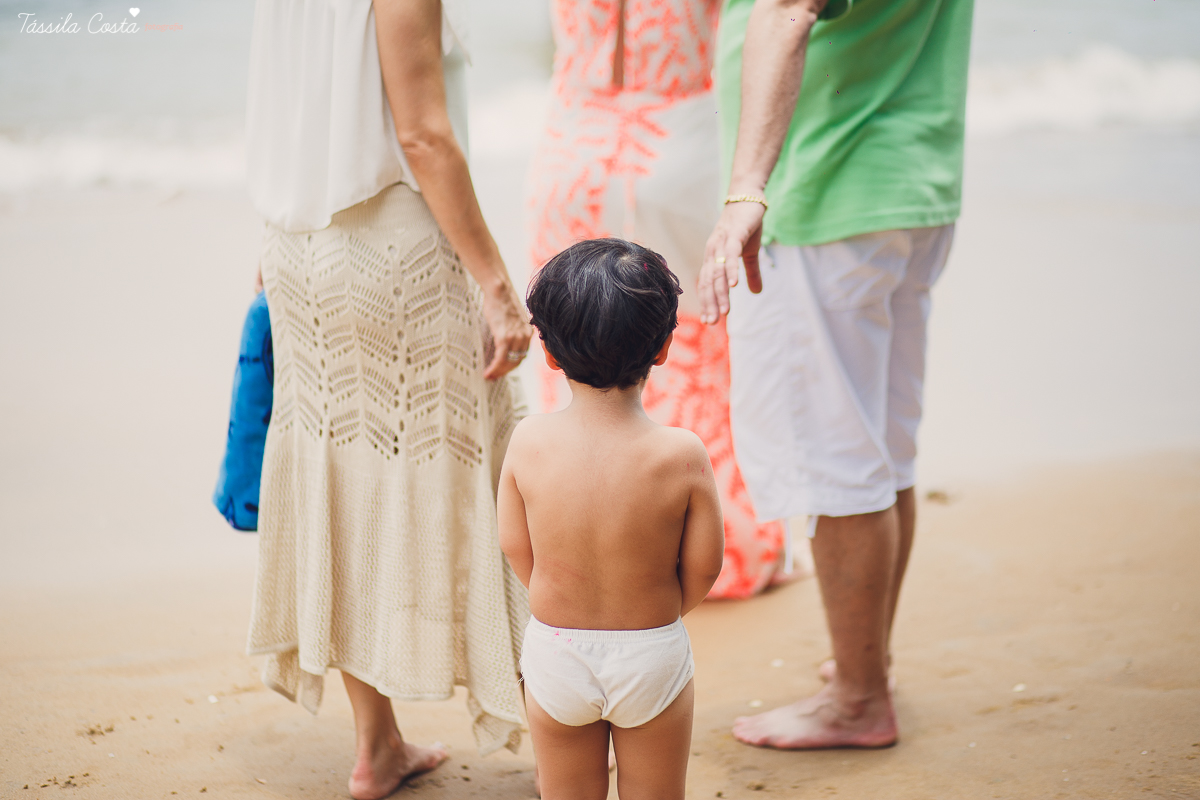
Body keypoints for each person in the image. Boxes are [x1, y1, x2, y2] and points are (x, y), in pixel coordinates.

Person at [242, 1, 533, 797]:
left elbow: (290, 109)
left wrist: (274, 243)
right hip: (394, 254)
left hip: (296, 253)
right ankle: (554, 729)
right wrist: (497, 285)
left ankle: (378, 747)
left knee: (342, 482)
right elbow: (423, 137)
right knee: (488, 472)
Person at [697, 0, 974, 748]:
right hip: (909, 178)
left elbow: (789, 9)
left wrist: (746, 189)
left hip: (826, 190)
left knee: (835, 456)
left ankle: (858, 699)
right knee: (882, 447)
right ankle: (866, 662)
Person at [526, 0, 796, 599]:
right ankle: (718, 545)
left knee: (575, 347)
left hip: (573, 152)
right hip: (683, 141)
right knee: (698, 351)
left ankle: (585, 541)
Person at [497, 239, 725, 800]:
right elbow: (705, 566)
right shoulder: (681, 454)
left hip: (556, 653)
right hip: (651, 652)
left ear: (547, 352)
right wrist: (657, 608)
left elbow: (515, 545)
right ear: (665, 346)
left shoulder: (528, 442)